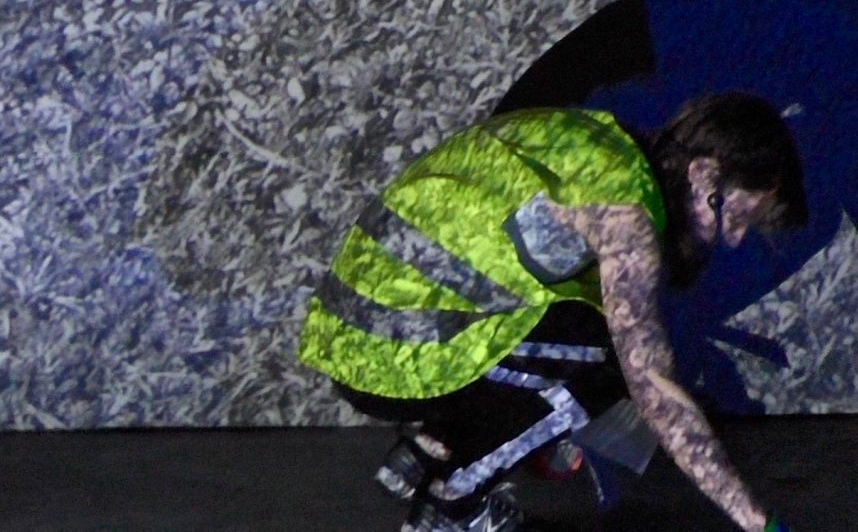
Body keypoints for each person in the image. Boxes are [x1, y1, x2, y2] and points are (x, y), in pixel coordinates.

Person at [495, 0, 858, 414]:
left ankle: (630, 351)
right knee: (800, 201)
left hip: (557, 183)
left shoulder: (810, 52)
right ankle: (619, 357)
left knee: (796, 190)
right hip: (540, 190)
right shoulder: (798, 38)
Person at [299, 94, 807, 531]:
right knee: (610, 359)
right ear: (703, 173)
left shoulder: (597, 141)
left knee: (570, 325)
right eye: (737, 216)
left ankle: (425, 452)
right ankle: (454, 505)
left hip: (347, 334)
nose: (733, 240)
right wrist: (759, 521)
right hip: (390, 357)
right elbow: (656, 393)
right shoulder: (625, 217)